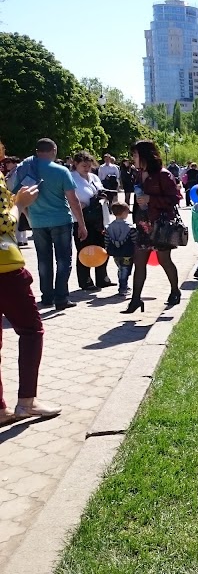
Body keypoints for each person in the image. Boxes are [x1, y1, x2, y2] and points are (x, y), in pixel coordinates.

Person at [0, 139, 61, 426]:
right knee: (31, 331)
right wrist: (19, 204)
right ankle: (27, 402)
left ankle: (0, 409)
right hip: (5, 268)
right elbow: (4, 223)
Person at [12, 138, 87, 311]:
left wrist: (30, 217)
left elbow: (18, 197)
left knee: (43, 260)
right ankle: (61, 298)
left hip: (38, 222)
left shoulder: (26, 169)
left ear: (37, 151)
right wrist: (81, 224)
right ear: (53, 150)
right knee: (63, 259)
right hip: (61, 220)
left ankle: (47, 296)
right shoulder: (61, 171)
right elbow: (73, 200)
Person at [123, 140, 181, 314]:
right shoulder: (138, 174)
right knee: (139, 262)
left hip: (160, 225)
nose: (133, 158)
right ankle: (135, 300)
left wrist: (151, 200)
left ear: (145, 155)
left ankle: (175, 291)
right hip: (143, 224)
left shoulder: (163, 175)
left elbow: (175, 198)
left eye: (135, 154)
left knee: (164, 260)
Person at [70, 151, 112, 291]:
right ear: (75, 164)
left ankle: (102, 278)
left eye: (89, 165)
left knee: (102, 247)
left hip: (98, 218)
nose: (87, 168)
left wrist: (103, 196)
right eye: (84, 165)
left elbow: (100, 190)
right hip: (81, 219)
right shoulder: (71, 178)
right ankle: (85, 280)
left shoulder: (94, 177)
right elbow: (69, 198)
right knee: (84, 249)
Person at [104, 202, 137, 297]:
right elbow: (134, 239)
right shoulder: (130, 227)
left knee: (120, 268)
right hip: (127, 252)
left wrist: (107, 248)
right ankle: (123, 287)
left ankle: (123, 285)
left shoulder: (109, 227)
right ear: (124, 213)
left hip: (115, 252)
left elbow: (106, 239)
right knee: (126, 269)